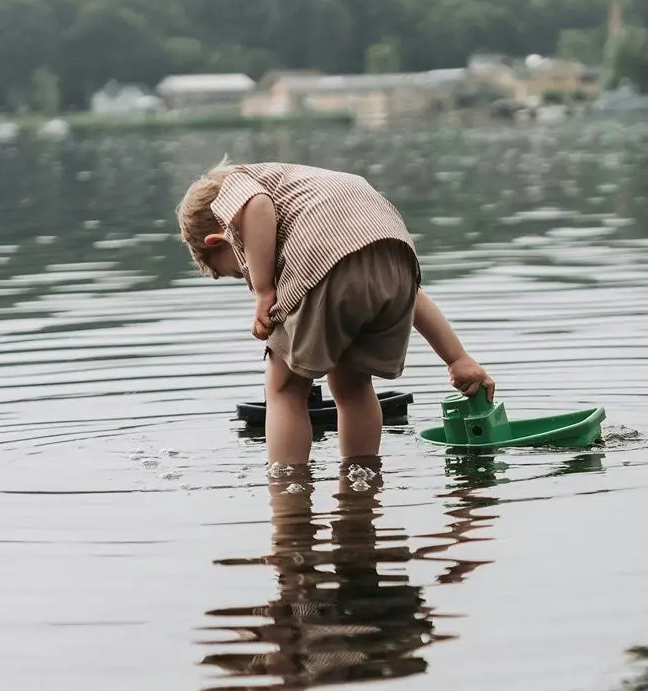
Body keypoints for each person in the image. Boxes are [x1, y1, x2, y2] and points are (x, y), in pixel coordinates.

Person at [176, 160, 495, 465]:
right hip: (395, 257)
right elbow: (413, 294)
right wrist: (456, 358)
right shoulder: (306, 190)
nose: (246, 277)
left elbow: (258, 206)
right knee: (353, 385)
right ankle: (362, 480)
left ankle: (290, 491)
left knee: (285, 388)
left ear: (219, 239)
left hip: (321, 261)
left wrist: (263, 289)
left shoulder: (237, 188)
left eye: (236, 272)